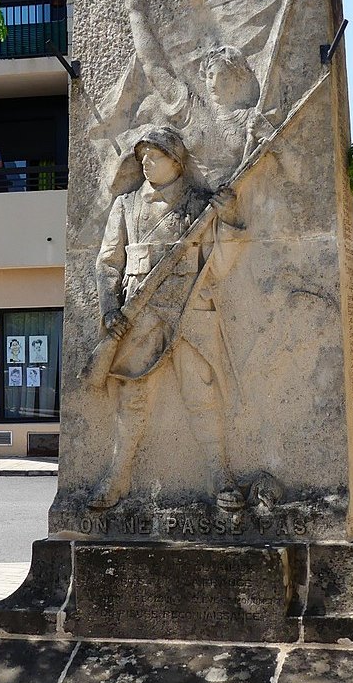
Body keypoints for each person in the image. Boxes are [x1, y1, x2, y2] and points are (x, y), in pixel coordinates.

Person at [91, 127, 243, 511]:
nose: (146, 161)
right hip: (140, 315)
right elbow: (109, 261)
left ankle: (220, 476)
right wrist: (110, 307)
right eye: (142, 155)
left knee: (201, 396)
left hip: (190, 311)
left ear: (177, 162)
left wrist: (227, 220)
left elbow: (220, 267)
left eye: (155, 155)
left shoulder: (200, 206)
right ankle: (117, 477)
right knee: (133, 399)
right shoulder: (125, 206)